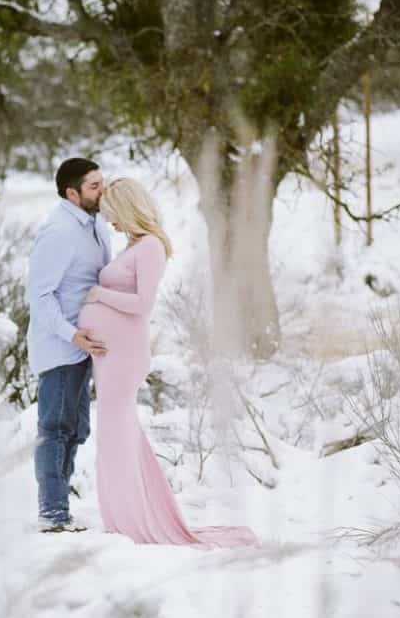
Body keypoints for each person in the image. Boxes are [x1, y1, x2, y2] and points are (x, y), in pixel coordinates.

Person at [79, 177, 260, 549]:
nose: (111, 223)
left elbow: (142, 307)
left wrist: (100, 295)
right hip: (111, 356)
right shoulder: (134, 245)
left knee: (116, 434)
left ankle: (134, 521)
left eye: (114, 215)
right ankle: (125, 514)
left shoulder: (150, 248)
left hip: (126, 355)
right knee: (118, 435)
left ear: (129, 209)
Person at [27, 157, 110, 533]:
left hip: (85, 346)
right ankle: (53, 512)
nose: (102, 191)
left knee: (77, 430)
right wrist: (71, 334)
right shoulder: (58, 232)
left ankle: (61, 500)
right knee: (56, 428)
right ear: (71, 193)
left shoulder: (96, 224)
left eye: (102, 183)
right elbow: (39, 296)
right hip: (61, 346)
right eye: (94, 186)